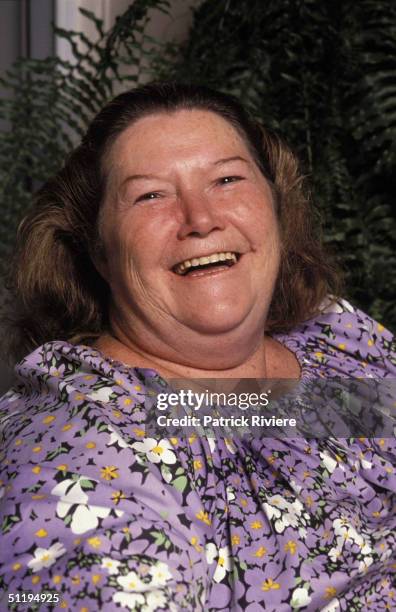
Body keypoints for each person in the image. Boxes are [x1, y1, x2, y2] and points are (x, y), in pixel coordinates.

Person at [0, 81, 395, 612]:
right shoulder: (72, 450)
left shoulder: (332, 338)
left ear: (276, 207)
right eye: (151, 195)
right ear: (97, 249)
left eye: (227, 179)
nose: (201, 218)